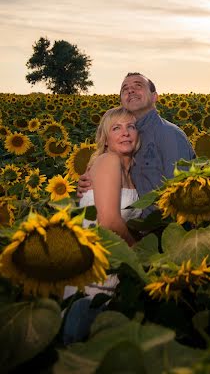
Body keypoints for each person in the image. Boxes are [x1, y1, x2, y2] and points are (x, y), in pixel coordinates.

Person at [63, 106, 142, 343]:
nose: (125, 133)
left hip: (112, 275)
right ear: (105, 140)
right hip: (92, 278)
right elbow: (108, 221)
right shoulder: (109, 161)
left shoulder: (133, 173)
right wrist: (143, 256)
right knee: (80, 351)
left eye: (131, 127)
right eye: (116, 128)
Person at [78, 72, 195, 202]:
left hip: (159, 221)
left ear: (155, 96)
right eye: (125, 89)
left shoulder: (169, 134)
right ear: (122, 101)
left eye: (138, 86)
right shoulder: (122, 139)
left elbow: (181, 194)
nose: (131, 90)